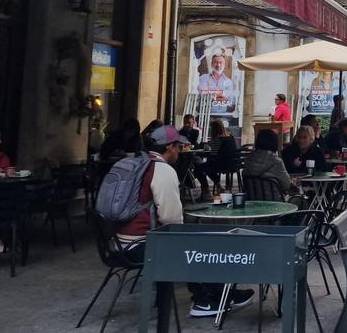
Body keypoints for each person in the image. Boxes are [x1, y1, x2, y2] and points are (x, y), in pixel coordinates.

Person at [117, 125, 254, 318]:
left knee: (191, 240)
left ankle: (221, 294)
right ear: (170, 147)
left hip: (118, 243)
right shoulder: (162, 171)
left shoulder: (137, 164)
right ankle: (206, 300)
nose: (180, 152)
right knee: (198, 244)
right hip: (142, 245)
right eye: (178, 147)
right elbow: (172, 220)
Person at [242, 129, 300, 197]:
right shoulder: (276, 162)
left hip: (252, 202)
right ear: (275, 143)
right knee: (301, 201)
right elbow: (287, 185)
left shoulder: (248, 160)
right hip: (275, 203)